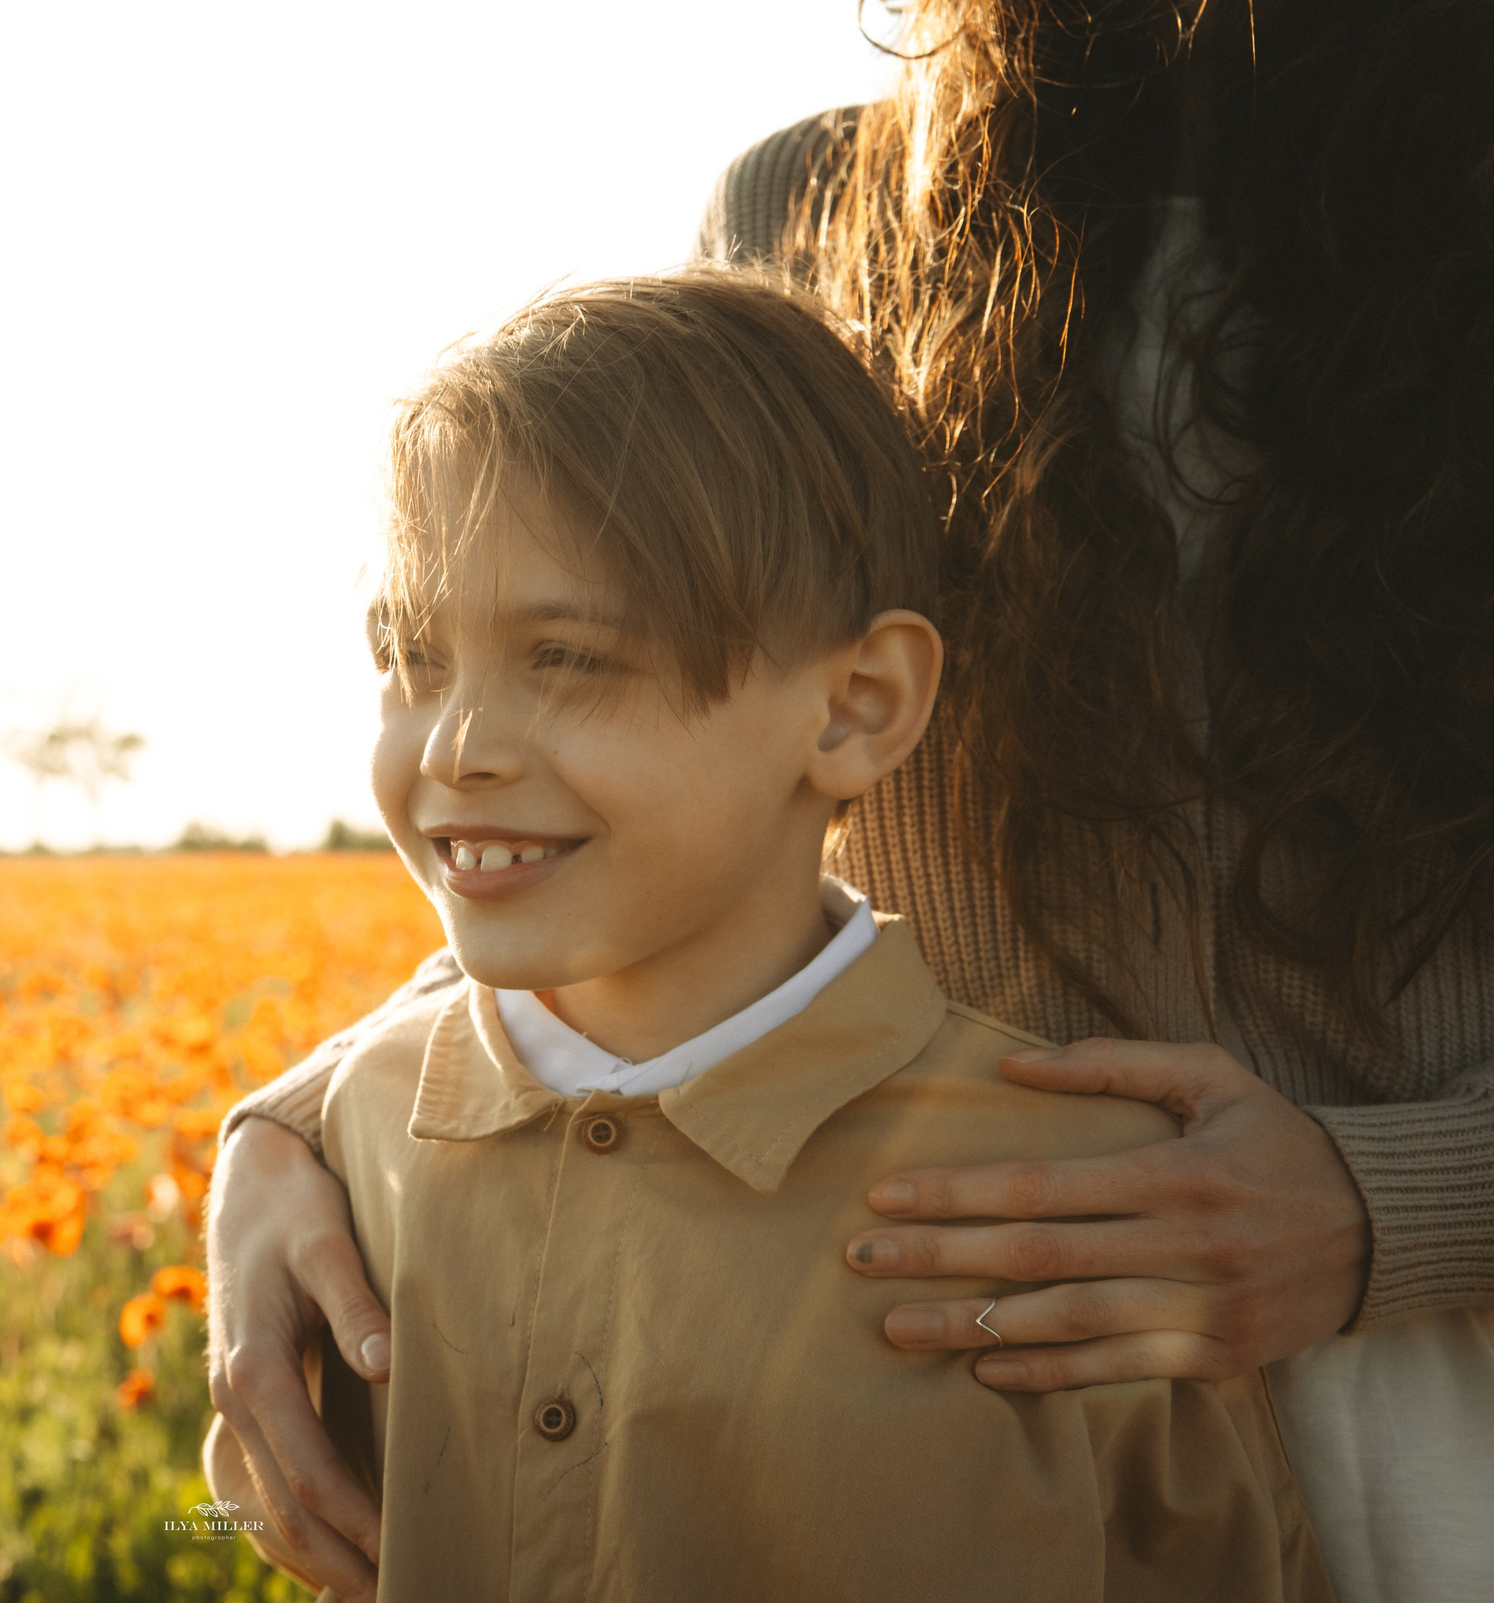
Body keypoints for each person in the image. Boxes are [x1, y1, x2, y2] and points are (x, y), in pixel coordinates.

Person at [204, 0, 1494, 1601]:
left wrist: (1386, 1205)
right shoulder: (808, 208)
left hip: (1440, 1389)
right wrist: (291, 1131)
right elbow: (679, 777)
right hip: (917, 1351)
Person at [204, 270, 1329, 1599]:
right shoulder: (343, 1157)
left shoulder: (1085, 1210)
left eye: (568, 658)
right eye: (414, 657)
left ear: (857, 706)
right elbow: (244, 1528)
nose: (457, 747)